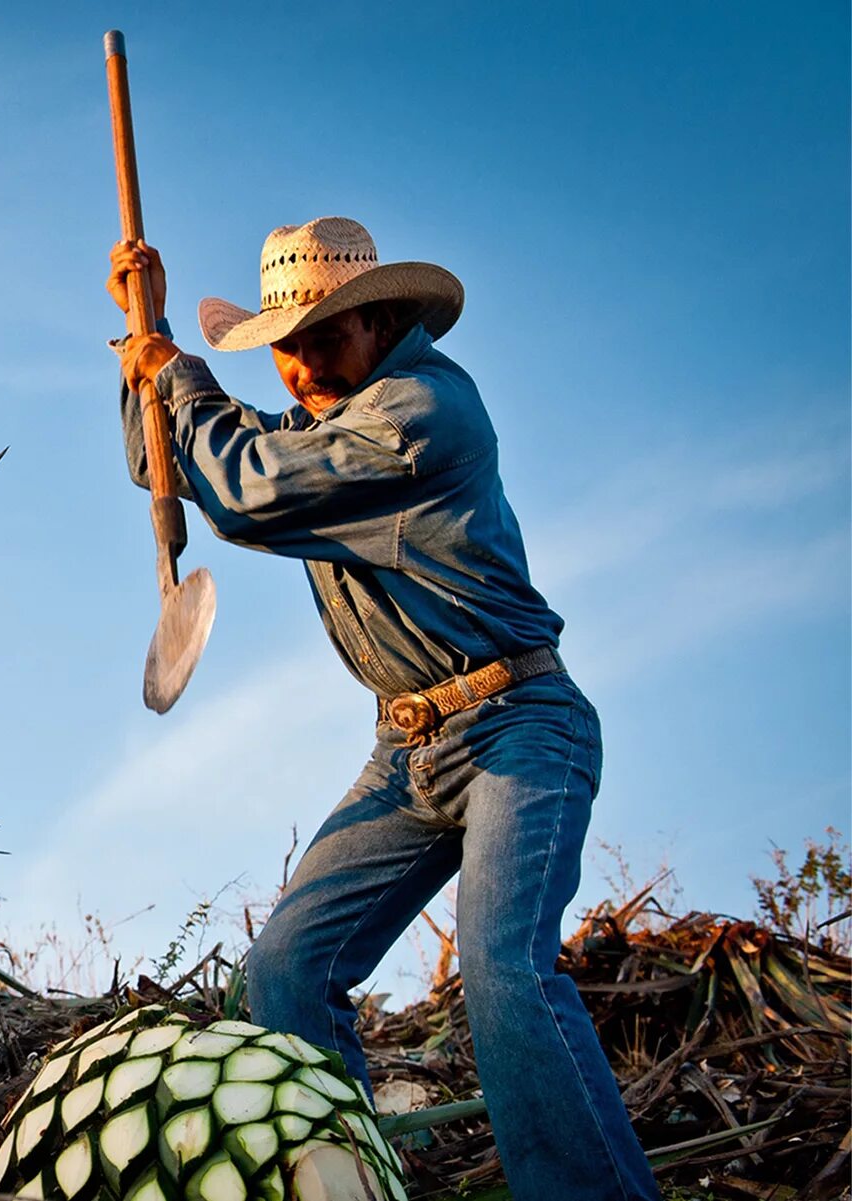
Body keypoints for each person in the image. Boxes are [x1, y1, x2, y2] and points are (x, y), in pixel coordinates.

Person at [107, 216, 659, 1200]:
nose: (304, 364)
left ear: (385, 318)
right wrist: (139, 349)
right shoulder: (325, 421)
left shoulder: (419, 414)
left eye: (327, 338)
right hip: (404, 751)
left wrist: (182, 372)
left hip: (518, 725)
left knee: (505, 971)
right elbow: (171, 462)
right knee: (285, 972)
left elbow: (241, 488)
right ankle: (353, 1185)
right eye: (288, 346)